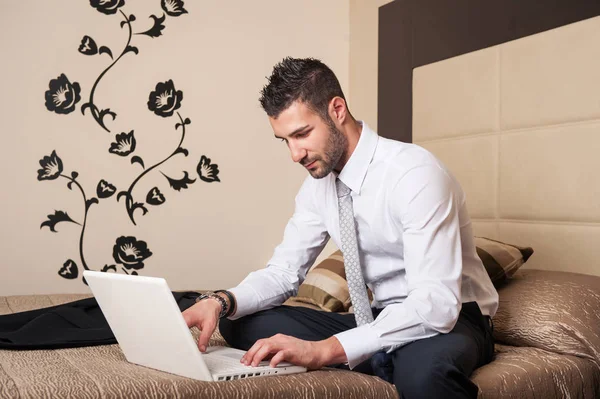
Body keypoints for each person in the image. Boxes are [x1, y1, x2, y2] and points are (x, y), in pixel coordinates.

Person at [182, 57, 498, 398]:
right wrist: (219, 300)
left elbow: (436, 305)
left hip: (452, 319)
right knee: (239, 319)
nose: (294, 154)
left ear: (337, 110)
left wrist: (324, 350)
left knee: (424, 377)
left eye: (301, 134)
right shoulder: (318, 187)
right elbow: (283, 273)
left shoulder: (414, 174)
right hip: (376, 316)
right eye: (284, 140)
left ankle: (384, 355)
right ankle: (381, 353)